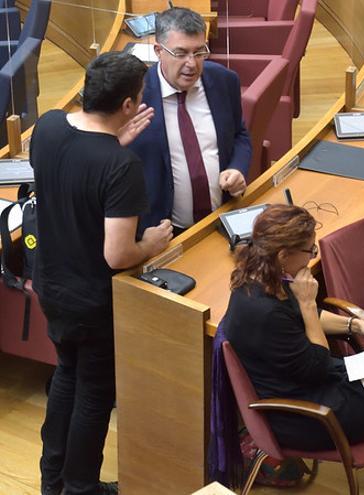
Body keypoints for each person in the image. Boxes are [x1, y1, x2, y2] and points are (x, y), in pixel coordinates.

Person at [32, 52, 173, 495]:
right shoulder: (120, 167)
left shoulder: (49, 126)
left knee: (65, 377)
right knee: (93, 394)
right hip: (93, 300)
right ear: (128, 106)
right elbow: (117, 254)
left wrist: (112, 144)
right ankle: (80, 487)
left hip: (52, 286)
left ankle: (52, 480)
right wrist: (151, 243)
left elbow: (71, 171)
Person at [222, 205, 364, 472]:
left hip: (310, 387)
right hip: (306, 416)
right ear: (284, 254)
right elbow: (317, 367)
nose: (312, 257)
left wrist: (355, 325)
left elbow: (299, 314)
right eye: (309, 251)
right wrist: (308, 304)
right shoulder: (264, 312)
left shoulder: (260, 276)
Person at [128, 7, 251, 234]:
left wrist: (237, 168)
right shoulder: (134, 96)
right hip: (162, 233)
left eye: (199, 52)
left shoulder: (224, 81)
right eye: (181, 53)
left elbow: (239, 135)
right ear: (158, 51)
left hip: (223, 217)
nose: (192, 64)